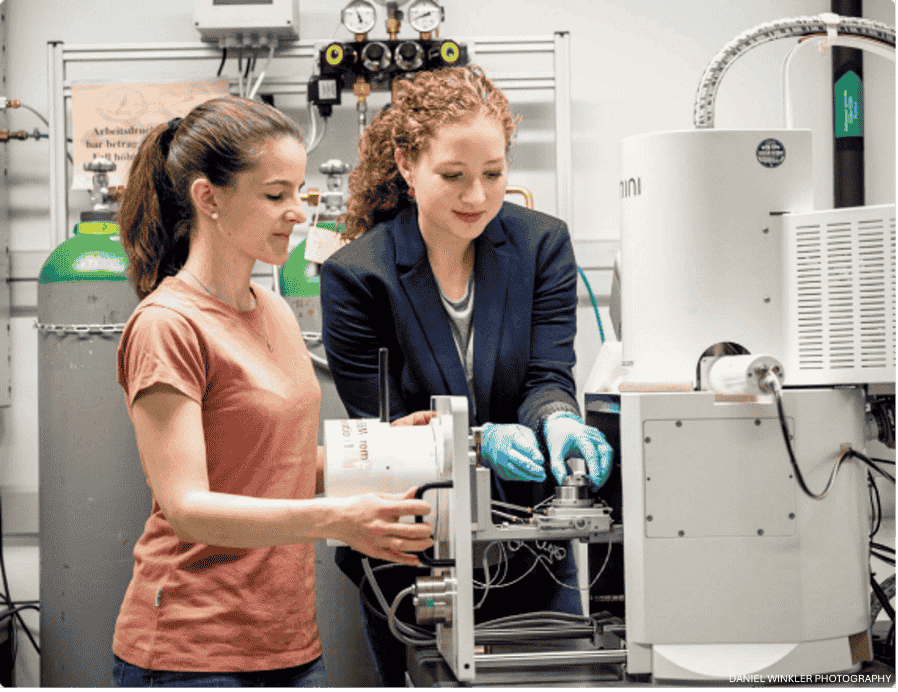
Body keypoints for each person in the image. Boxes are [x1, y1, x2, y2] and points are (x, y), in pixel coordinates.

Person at [111, 95, 437, 688]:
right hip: (193, 651)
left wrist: (388, 452)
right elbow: (188, 508)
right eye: (275, 194)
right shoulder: (168, 325)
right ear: (208, 197)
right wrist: (339, 518)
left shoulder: (276, 312)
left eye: (300, 192)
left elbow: (273, 466)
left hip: (287, 644)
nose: (297, 213)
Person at [320, 66, 615, 687]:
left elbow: (546, 374)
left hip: (532, 542)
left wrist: (558, 418)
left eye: (494, 174)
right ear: (407, 165)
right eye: (453, 176)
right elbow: (381, 433)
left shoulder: (541, 246)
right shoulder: (358, 275)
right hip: (411, 551)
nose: (477, 196)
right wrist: (479, 442)